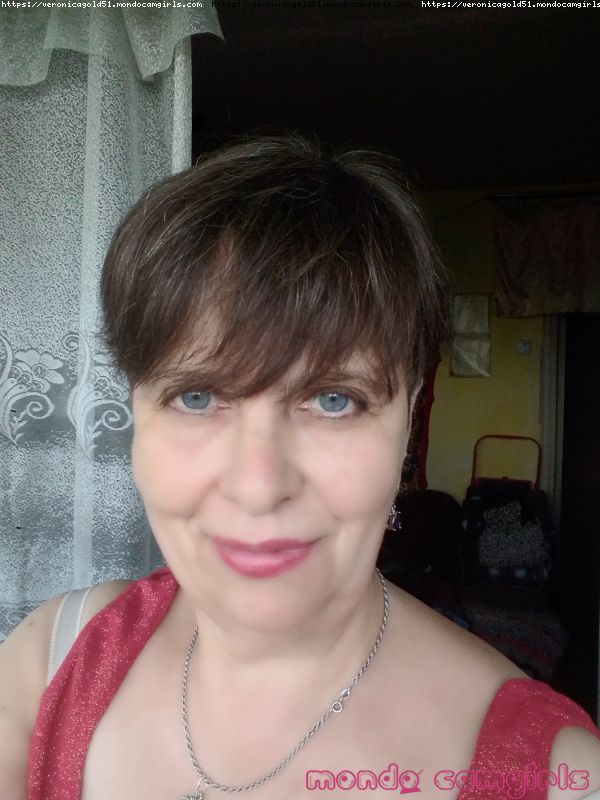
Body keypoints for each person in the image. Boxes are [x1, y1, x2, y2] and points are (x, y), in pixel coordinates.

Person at [1, 134, 600, 800]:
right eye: (196, 397)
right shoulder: (46, 664)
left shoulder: (557, 778)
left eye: (334, 400)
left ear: (410, 420)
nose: (258, 487)